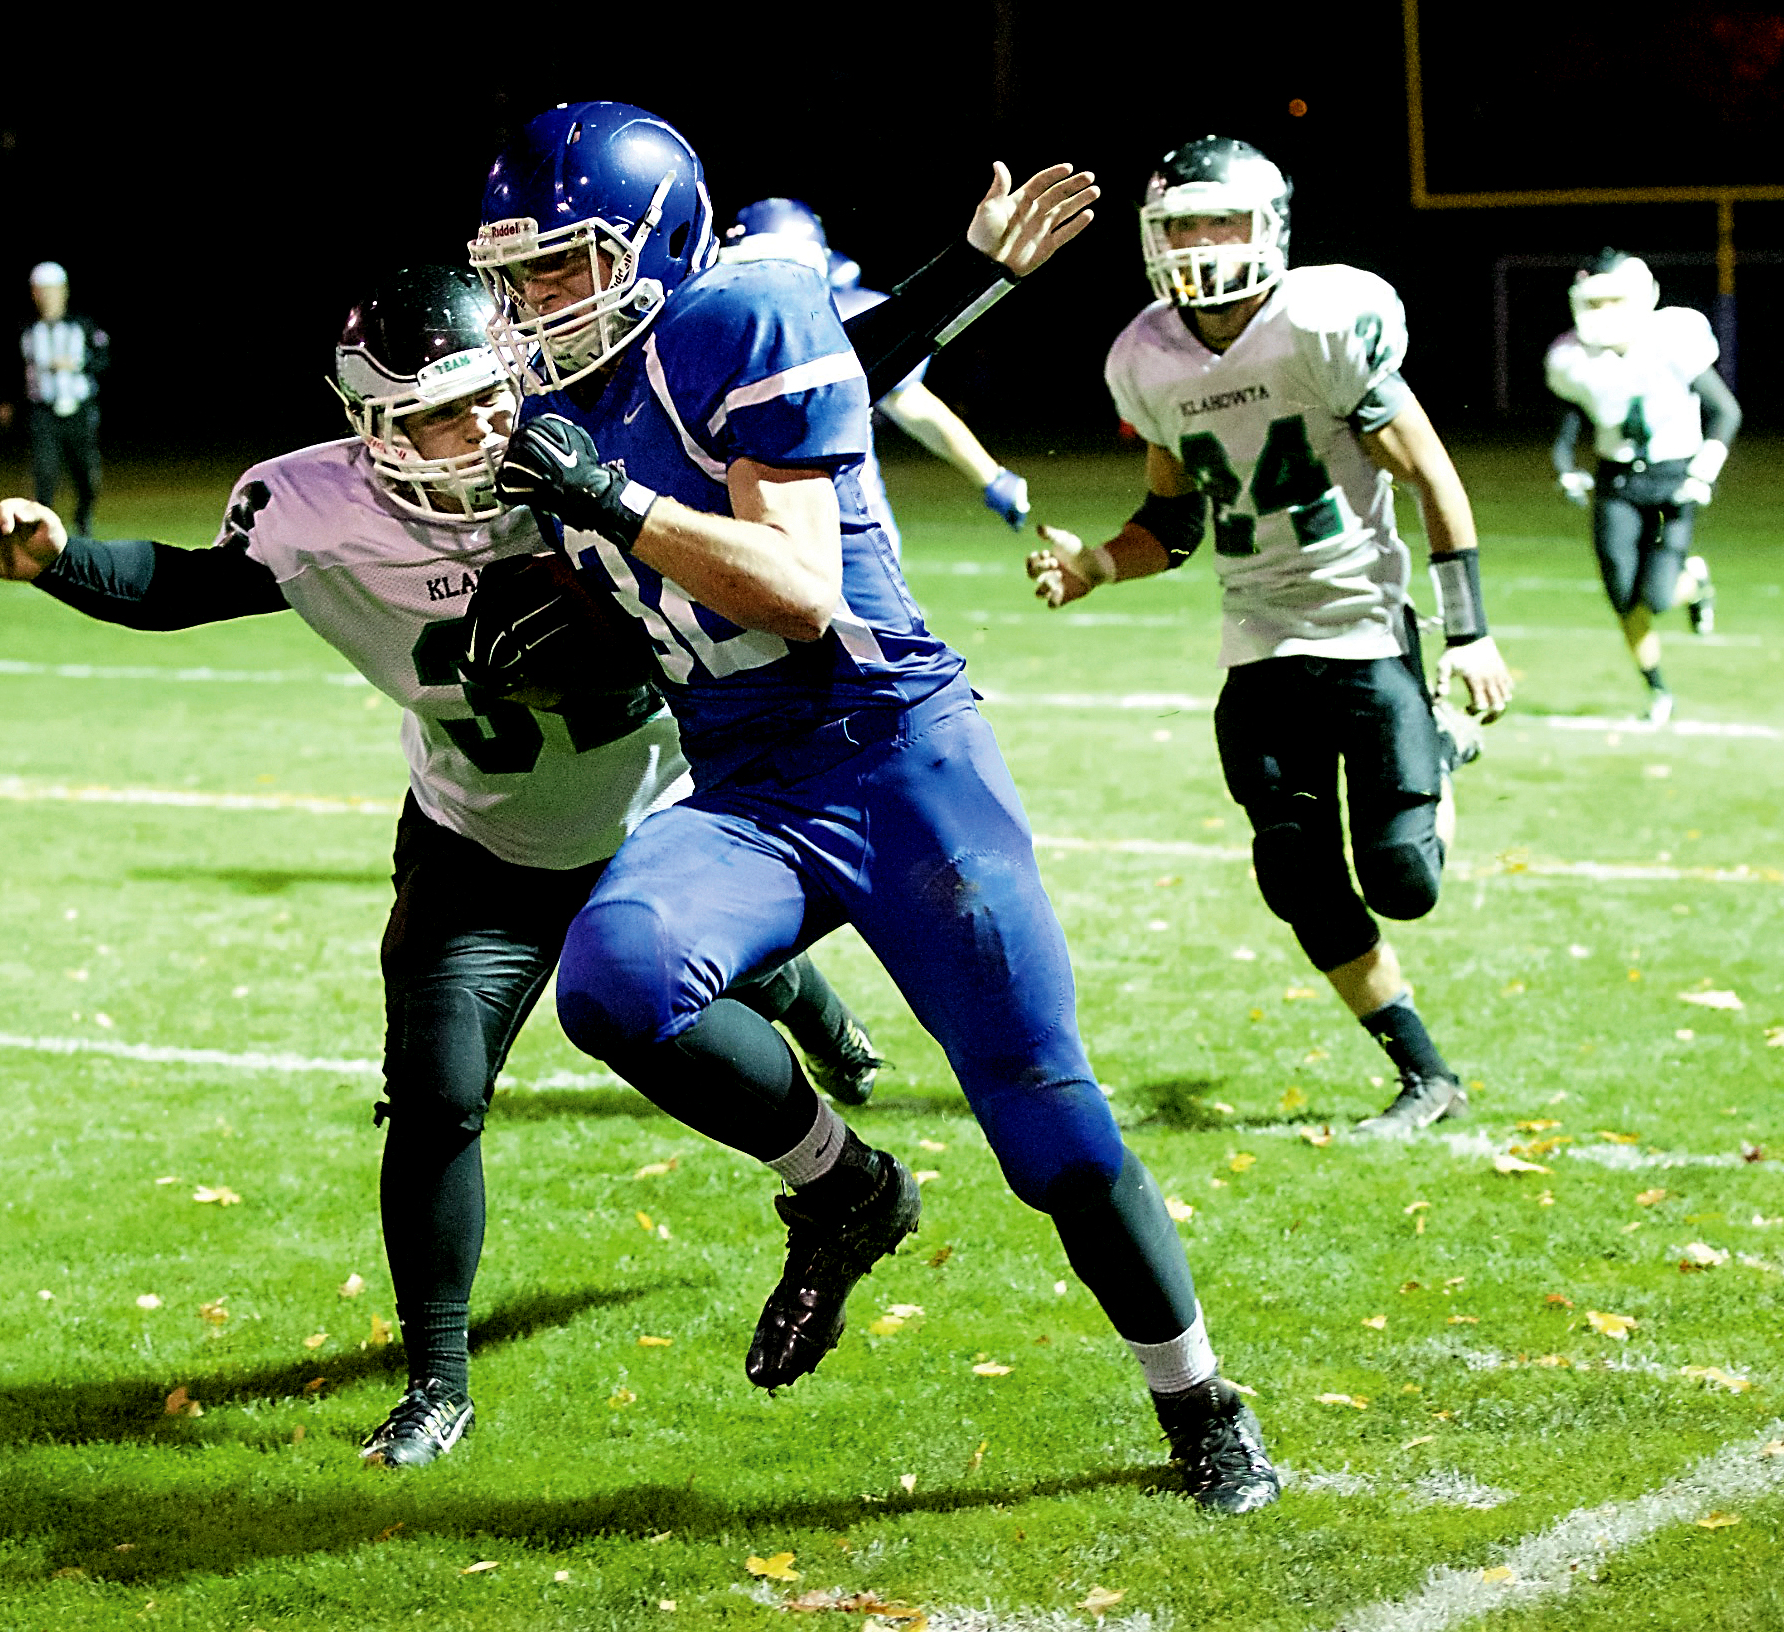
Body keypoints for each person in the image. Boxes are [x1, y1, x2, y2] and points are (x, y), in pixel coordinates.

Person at [466, 100, 1279, 1514]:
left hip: (895, 757)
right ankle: (843, 1187)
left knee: (1046, 1127)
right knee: (615, 981)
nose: (534, 305)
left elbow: (799, 591)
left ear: (653, 245)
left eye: (563, 267)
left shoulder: (743, 312)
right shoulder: (547, 397)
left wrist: (607, 505)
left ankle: (1197, 1400)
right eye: (518, 274)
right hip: (746, 781)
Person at [0, 265, 884, 1470]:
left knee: (676, 1005)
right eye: (444, 411)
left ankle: (828, 1114)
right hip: (478, 839)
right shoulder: (306, 504)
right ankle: (435, 1380)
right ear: (374, 423)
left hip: (661, 818)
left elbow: (807, 407)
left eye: (493, 394)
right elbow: (192, 584)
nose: (486, 427)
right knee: (437, 1096)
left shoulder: (586, 458)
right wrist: (58, 558)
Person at [1025, 135, 1512, 1138]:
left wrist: (1467, 635)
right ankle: (1425, 1074)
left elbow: (1429, 474)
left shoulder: (1324, 323)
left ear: (1270, 230)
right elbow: (1171, 524)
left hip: (1362, 629)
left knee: (1404, 884)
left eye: (1222, 221)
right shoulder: (1144, 358)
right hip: (1256, 643)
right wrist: (1095, 565)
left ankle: (1439, 743)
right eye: (1181, 224)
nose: (1201, 243)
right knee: (1295, 875)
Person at [720, 197, 1031, 548]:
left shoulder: (841, 323)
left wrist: (992, 476)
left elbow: (914, 407)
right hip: (753, 532)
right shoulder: (701, 333)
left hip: (845, 534)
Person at [1545, 249, 1740, 726]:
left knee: (1654, 596)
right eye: (1595, 302)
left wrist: (1702, 472)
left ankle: (1694, 583)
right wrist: (1566, 467)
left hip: (1676, 479)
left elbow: (1725, 412)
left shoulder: (1673, 338)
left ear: (1641, 298)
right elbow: (1566, 429)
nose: (1605, 313)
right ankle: (1658, 691)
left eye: (1616, 300)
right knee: (1621, 595)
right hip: (1618, 482)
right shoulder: (1571, 358)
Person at [0, 262, 109, 535]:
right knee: (44, 474)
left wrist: (78, 364)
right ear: (34, 294)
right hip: (42, 411)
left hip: (79, 409)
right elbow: (10, 368)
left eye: (53, 290)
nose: (48, 297)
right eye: (42, 291)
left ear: (65, 292)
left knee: (85, 474)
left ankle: (83, 521)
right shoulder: (26, 329)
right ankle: (41, 529)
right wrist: (6, 401)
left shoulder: (82, 325)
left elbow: (104, 359)